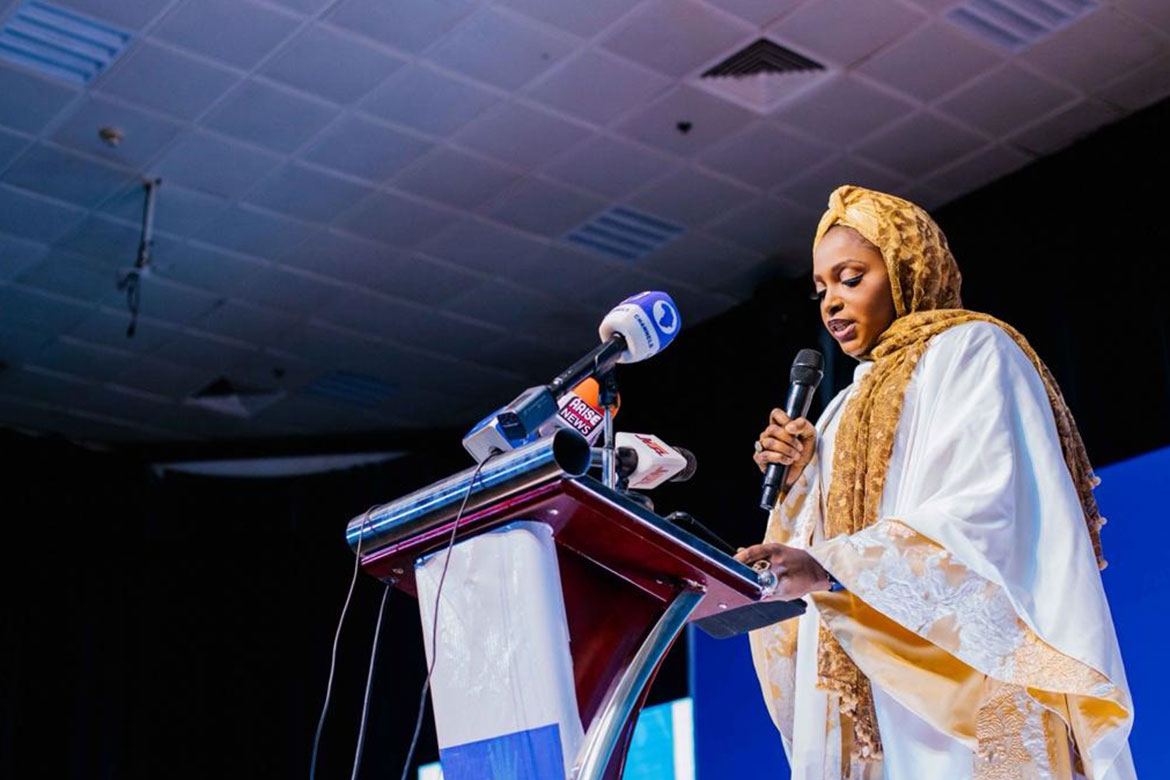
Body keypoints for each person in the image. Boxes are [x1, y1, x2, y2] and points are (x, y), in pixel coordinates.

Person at [735, 186, 1134, 780]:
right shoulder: (840, 408)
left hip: (969, 671)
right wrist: (798, 488)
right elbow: (817, 547)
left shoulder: (972, 349)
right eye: (821, 290)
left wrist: (832, 566)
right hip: (872, 671)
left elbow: (987, 510)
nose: (832, 303)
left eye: (851, 278)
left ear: (908, 269)